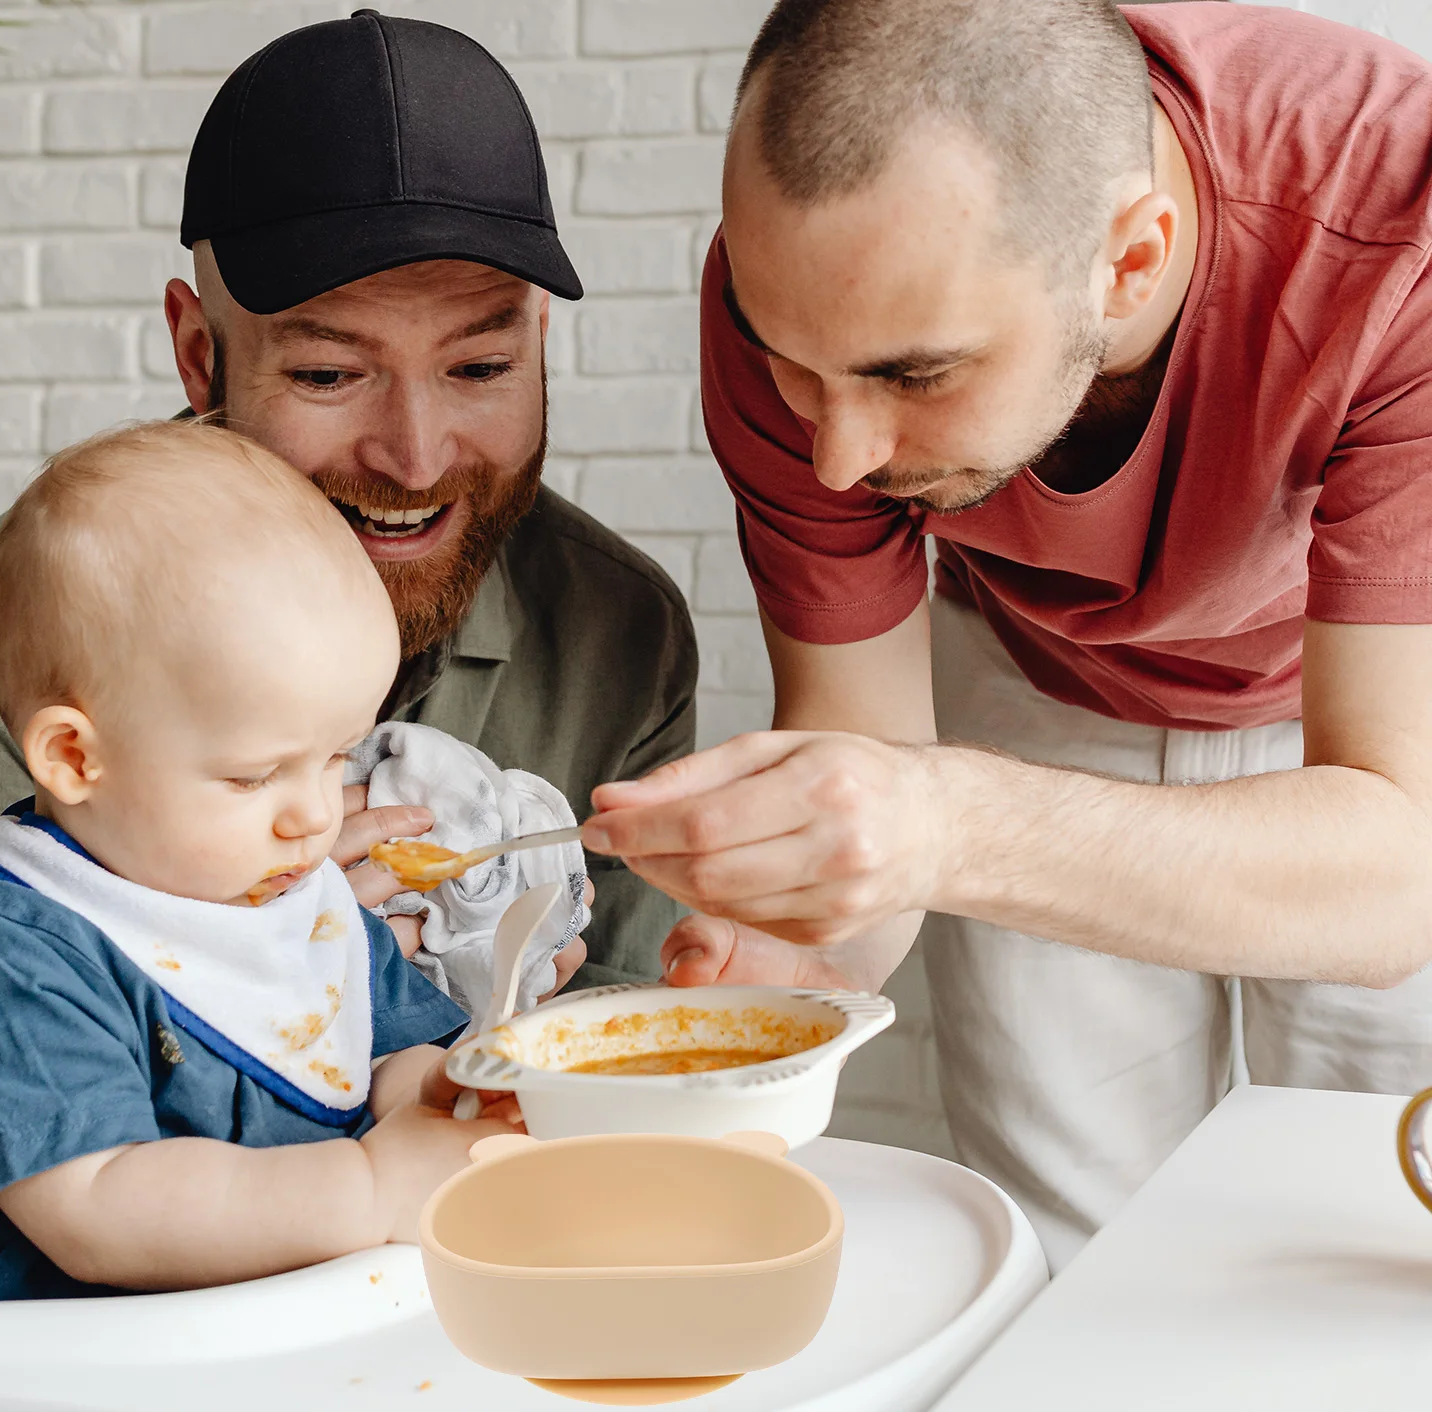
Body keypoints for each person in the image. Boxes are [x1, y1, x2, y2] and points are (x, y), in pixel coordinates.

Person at [582, 0, 1432, 1268]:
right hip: (1030, 682)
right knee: (1075, 1255)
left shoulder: (1394, 218)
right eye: (793, 370)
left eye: (913, 376)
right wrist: (791, 942)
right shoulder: (812, 302)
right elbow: (863, 742)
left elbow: (1396, 879)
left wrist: (942, 823)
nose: (838, 452)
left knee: (1368, 1223)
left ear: (1129, 260)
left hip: (1362, 722)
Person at [0, 422, 677, 1412]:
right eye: (258, 775)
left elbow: (397, 1048)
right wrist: (369, 1188)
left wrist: (452, 1105)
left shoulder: (284, 900)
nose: (316, 817)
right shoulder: (16, 949)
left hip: (343, 1366)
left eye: (338, 757)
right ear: (74, 755)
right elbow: (97, 1207)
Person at [0, 9, 696, 995]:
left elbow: (635, 1066)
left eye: (479, 365)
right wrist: (235, 951)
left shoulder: (621, 635)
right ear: (199, 354)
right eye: (330, 376)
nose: (418, 461)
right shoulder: (7, 647)